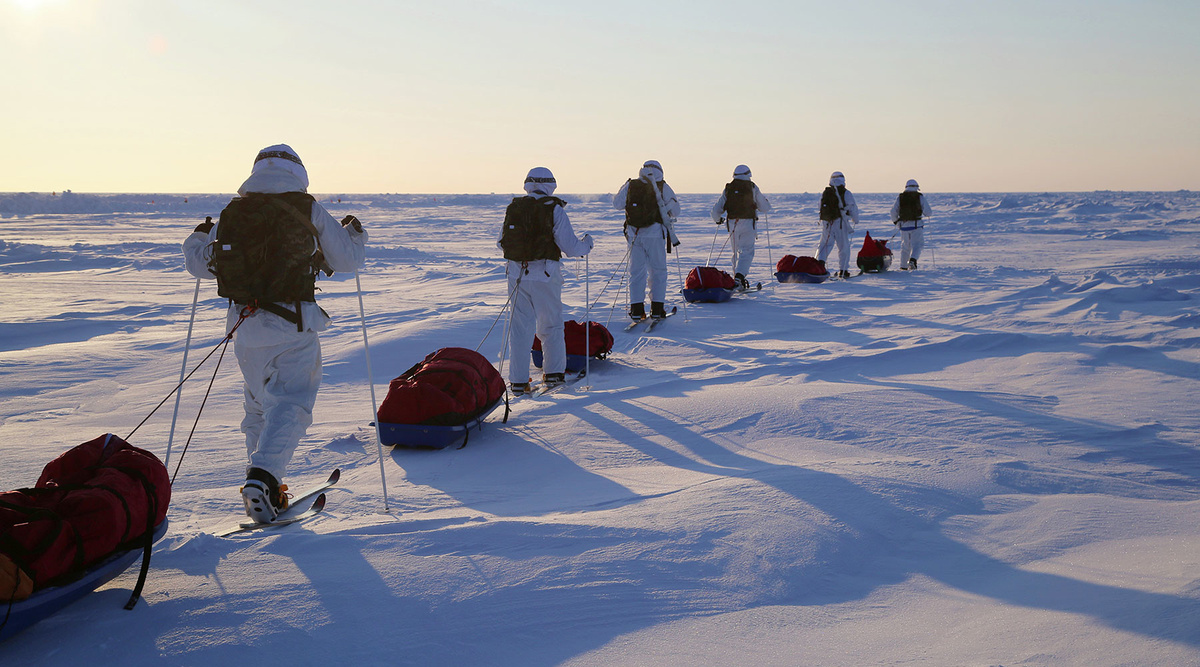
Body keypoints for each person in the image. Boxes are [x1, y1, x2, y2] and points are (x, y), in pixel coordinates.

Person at [182, 144, 366, 522]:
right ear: (298, 172)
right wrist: (356, 236)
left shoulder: (233, 213)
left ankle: (266, 487)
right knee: (291, 404)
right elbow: (347, 260)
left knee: (260, 407)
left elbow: (200, 265)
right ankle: (264, 478)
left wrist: (198, 238)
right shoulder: (307, 208)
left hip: (244, 327)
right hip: (292, 324)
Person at [499, 167, 593, 394]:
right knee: (550, 325)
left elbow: (501, 242)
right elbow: (570, 247)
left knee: (520, 328)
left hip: (516, 275)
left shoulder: (514, 207)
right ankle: (553, 375)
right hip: (546, 274)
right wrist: (587, 245)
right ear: (550, 185)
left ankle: (518, 381)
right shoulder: (554, 209)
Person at [613, 160, 680, 320]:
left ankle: (636, 310)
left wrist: (625, 186)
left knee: (636, 271)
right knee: (658, 271)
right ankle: (657, 309)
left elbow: (617, 204)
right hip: (655, 234)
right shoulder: (662, 186)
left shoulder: (632, 185)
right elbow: (676, 211)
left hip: (634, 234)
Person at [710, 165, 772, 289]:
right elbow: (765, 207)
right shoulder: (752, 187)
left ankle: (736, 280)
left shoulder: (729, 188)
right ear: (749, 174)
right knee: (747, 251)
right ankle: (739, 278)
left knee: (735, 252)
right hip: (748, 223)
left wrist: (718, 220)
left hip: (732, 223)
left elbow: (716, 210)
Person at [816, 171, 860, 279]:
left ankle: (818, 266)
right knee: (843, 246)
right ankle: (843, 270)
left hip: (827, 223)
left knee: (825, 244)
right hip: (840, 222)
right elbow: (852, 207)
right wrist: (855, 220)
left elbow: (820, 206)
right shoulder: (846, 193)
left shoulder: (826, 192)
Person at [890, 179, 931, 270]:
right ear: (917, 187)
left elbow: (893, 211)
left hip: (904, 226)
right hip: (916, 225)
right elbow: (928, 212)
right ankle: (913, 260)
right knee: (918, 245)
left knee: (905, 246)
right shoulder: (920, 197)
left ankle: (903, 266)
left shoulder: (900, 197)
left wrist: (896, 222)